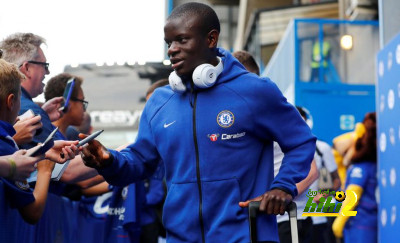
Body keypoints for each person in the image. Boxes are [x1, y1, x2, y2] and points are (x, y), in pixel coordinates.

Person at [81, 3, 316, 243]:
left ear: (211, 39)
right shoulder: (160, 103)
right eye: (169, 43)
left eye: (182, 40)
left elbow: (301, 142)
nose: (172, 50)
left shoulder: (255, 91)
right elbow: (139, 162)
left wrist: (283, 186)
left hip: (245, 236)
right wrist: (108, 161)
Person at [0, 59, 78, 224]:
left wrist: (42, 152)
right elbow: (32, 212)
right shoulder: (5, 145)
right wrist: (45, 169)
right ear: (11, 101)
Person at [0, 32, 64, 149]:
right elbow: (54, 161)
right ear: (27, 68)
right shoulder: (31, 110)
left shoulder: (31, 109)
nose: (47, 72)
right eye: (45, 65)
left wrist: (43, 115)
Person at [332, 112, 377, 243]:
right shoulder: (372, 167)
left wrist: (339, 223)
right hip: (367, 223)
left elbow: (352, 196)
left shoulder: (360, 169)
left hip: (360, 224)